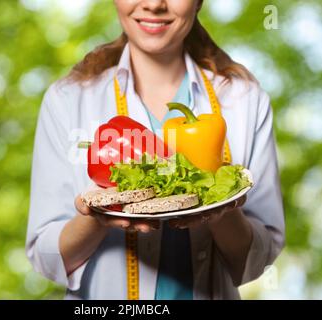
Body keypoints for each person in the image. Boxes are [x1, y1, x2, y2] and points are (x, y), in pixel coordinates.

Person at [26, 0, 285, 300]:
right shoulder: (67, 100)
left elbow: (256, 261)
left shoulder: (244, 101)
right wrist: (96, 216)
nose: (153, 4)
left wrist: (218, 210)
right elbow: (46, 258)